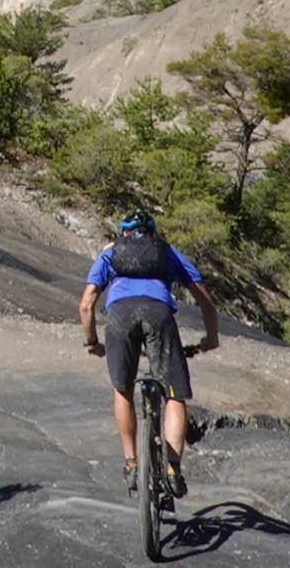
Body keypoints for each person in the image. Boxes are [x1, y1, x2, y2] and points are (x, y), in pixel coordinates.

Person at [82, 210, 219, 489]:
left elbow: (86, 304)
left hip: (120, 315)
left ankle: (131, 463)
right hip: (159, 314)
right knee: (174, 394)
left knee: (123, 388)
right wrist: (210, 338)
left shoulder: (111, 252)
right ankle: (172, 470)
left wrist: (93, 342)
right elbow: (205, 301)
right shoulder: (167, 252)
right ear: (152, 234)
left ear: (124, 233)